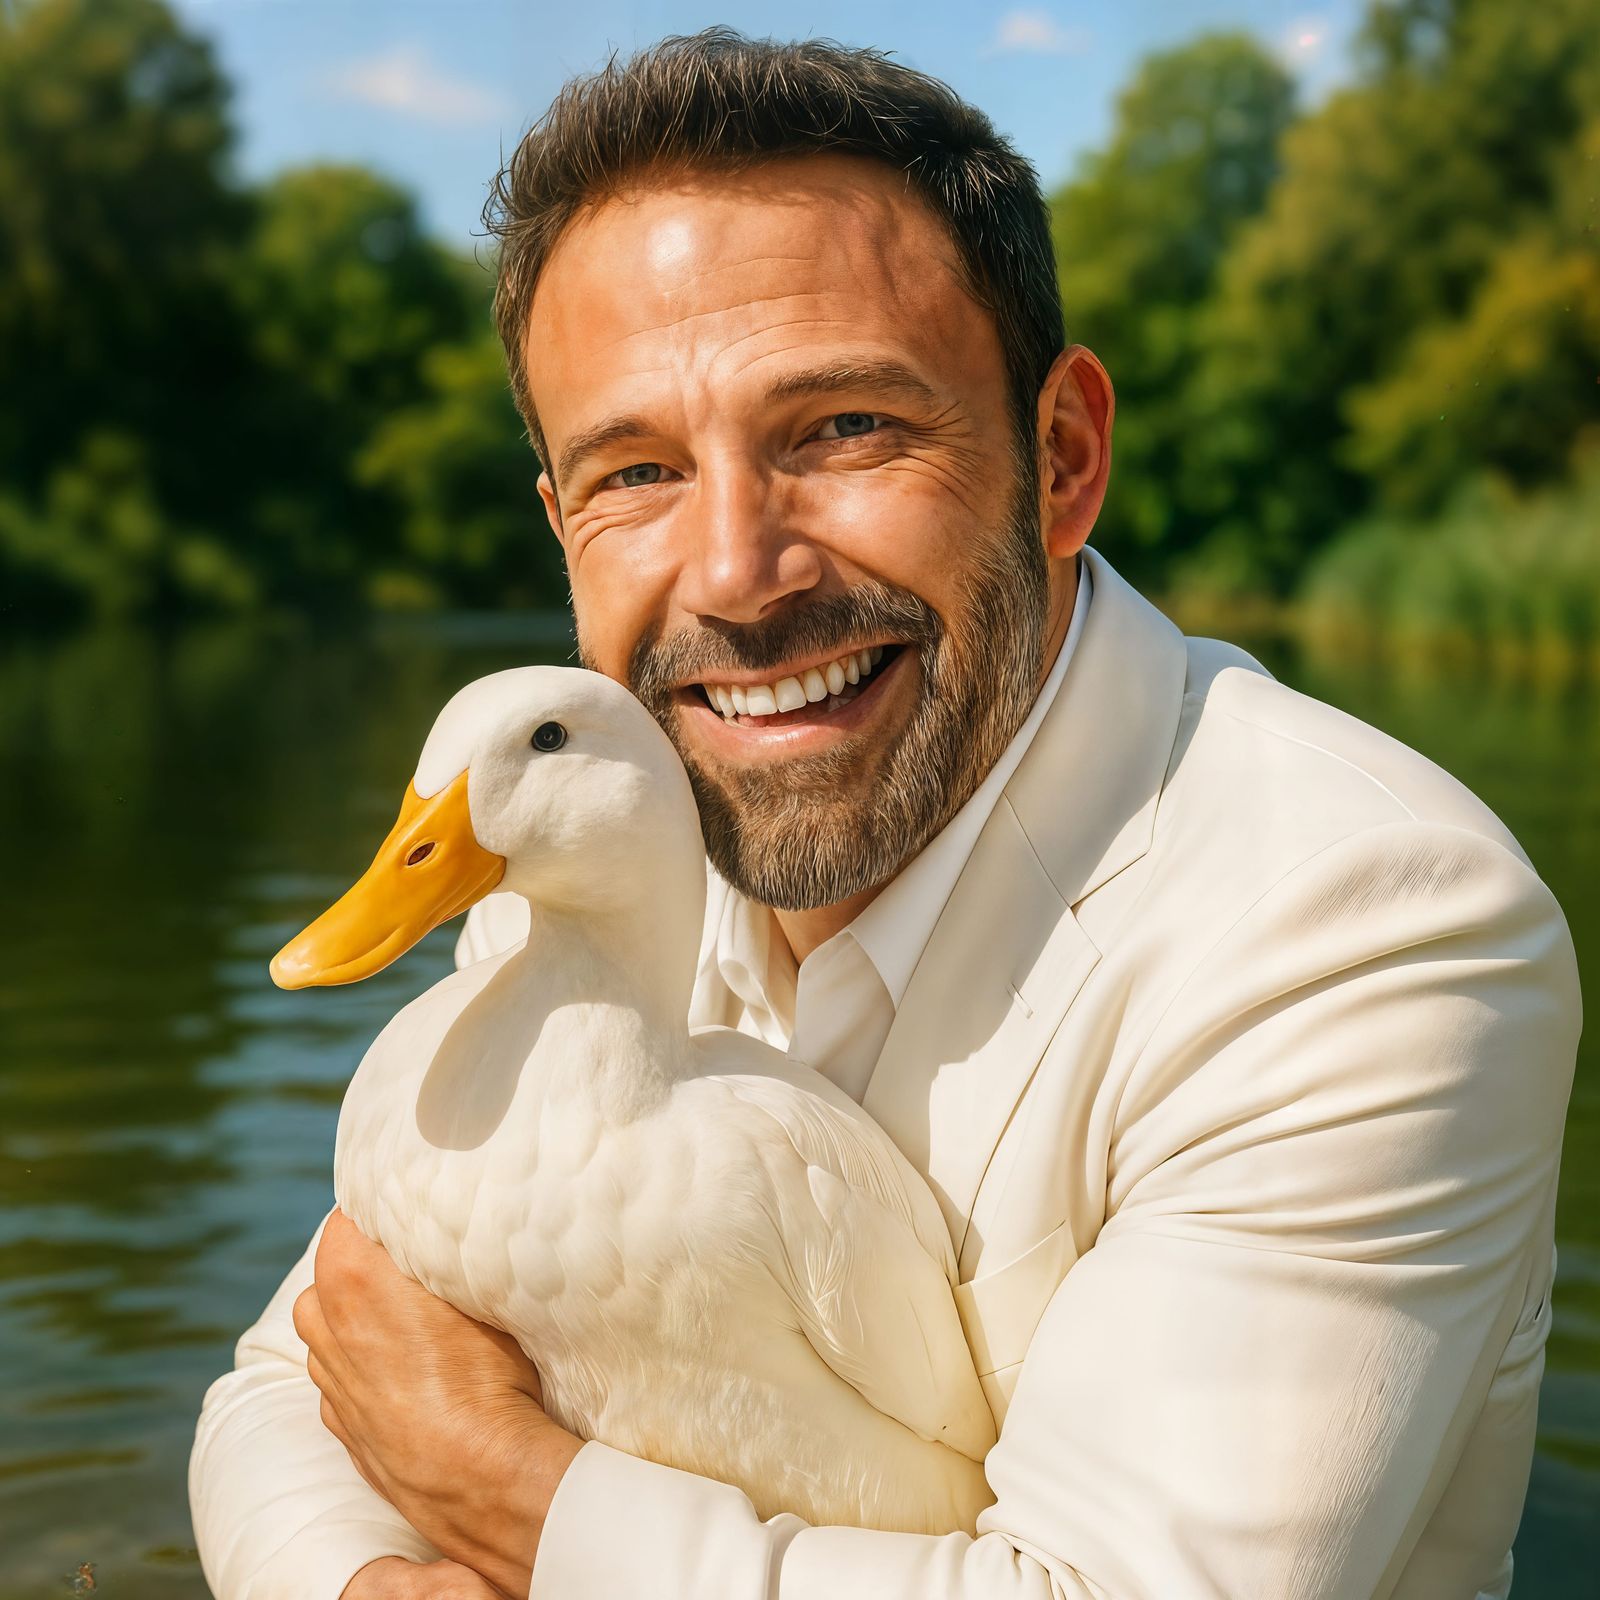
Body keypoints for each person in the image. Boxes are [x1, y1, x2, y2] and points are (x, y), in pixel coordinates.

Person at [189, 29, 1580, 1600]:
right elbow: (302, 1375)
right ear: (562, 530)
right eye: (636, 470)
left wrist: (515, 1495)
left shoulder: (1368, 924)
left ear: (1062, 458)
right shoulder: (569, 867)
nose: (732, 572)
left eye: (843, 428)